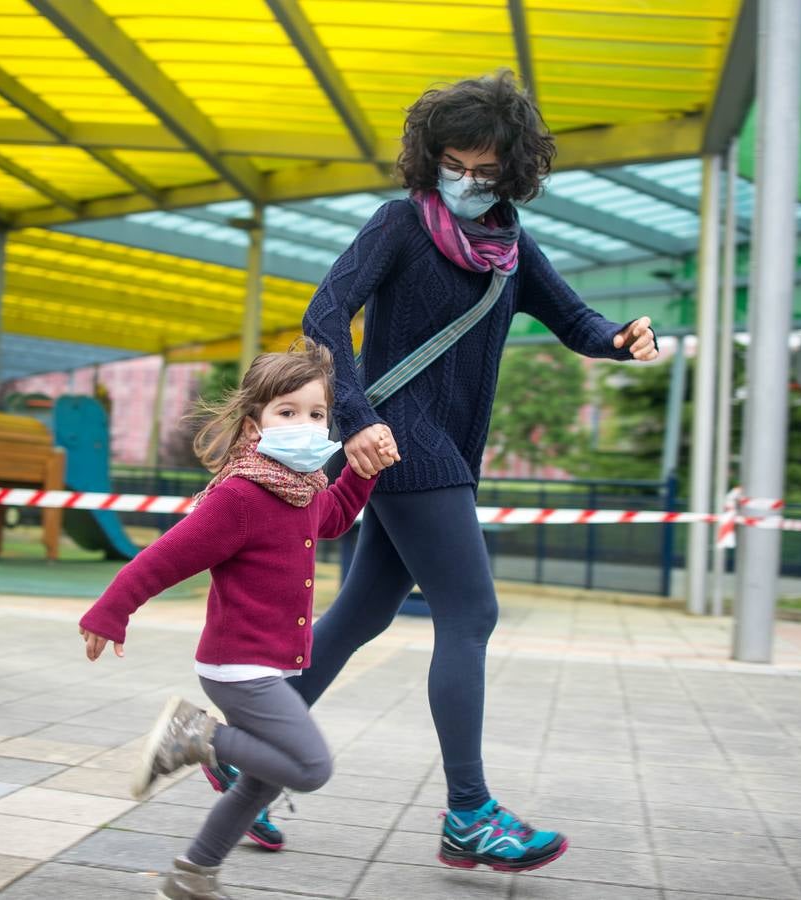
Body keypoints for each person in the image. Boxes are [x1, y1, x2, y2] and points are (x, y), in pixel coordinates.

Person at [279, 71, 659, 874]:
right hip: (404, 442)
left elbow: (577, 322)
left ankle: (244, 748)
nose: (467, 181)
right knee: (472, 613)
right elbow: (323, 315)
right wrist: (357, 418)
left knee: (362, 612)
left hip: (439, 450)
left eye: (487, 170)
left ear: (514, 172)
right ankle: (469, 814)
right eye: (454, 162)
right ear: (430, 158)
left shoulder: (512, 252)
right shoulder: (399, 227)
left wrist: (621, 338)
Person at [77, 340, 397, 900]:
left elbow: (339, 516)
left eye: (317, 414)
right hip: (238, 667)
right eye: (288, 412)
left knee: (260, 783)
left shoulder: (302, 489)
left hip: (268, 666)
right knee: (311, 766)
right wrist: (112, 612)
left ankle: (192, 876)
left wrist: (363, 470)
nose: (305, 423)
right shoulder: (241, 496)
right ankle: (194, 735)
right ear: (254, 426)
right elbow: (164, 556)